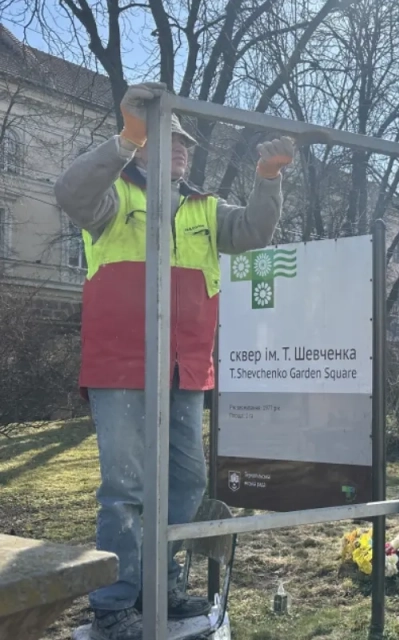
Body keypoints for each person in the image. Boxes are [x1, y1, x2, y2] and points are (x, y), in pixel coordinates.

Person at [55, 82, 294, 640]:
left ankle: (161, 590)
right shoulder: (113, 199)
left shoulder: (206, 209)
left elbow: (256, 230)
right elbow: (70, 192)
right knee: (125, 489)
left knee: (185, 485)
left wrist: (267, 179)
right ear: (141, 145)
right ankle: (116, 603)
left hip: (186, 369)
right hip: (122, 367)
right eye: (168, 138)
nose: (182, 147)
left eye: (186, 142)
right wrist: (124, 137)